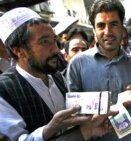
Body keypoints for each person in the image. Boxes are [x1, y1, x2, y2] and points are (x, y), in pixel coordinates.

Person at [0, 7, 117, 141]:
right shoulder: (4, 92)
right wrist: (49, 129)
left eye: (54, 40)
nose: (56, 49)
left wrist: (90, 126)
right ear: (18, 51)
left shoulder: (55, 75)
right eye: (44, 42)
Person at [66, 0, 131, 141]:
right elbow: (74, 113)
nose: (108, 32)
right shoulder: (77, 64)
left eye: (113, 24)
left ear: (122, 28)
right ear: (93, 30)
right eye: (101, 26)